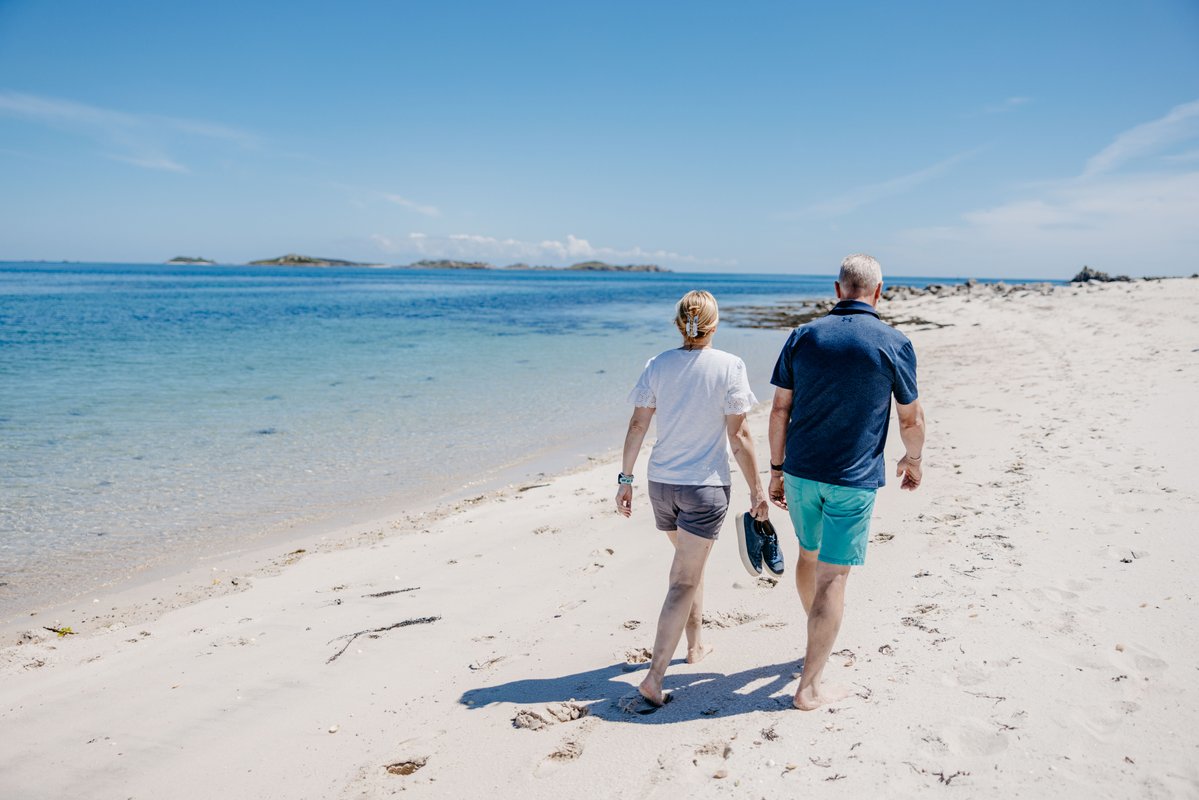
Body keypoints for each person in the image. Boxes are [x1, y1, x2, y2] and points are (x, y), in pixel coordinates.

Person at [767, 254, 925, 711]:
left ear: (837, 290)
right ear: (879, 292)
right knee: (833, 576)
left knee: (808, 556)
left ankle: (816, 632)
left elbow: (779, 410)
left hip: (799, 471)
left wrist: (775, 469)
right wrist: (913, 461)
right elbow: (910, 418)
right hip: (851, 480)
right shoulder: (894, 342)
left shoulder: (803, 336)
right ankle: (809, 685)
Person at [617, 290, 769, 707]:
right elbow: (738, 436)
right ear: (714, 325)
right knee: (684, 578)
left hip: (662, 485)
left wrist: (625, 478)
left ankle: (695, 645)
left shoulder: (657, 364)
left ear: (679, 324)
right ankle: (654, 676)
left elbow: (636, 426)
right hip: (704, 488)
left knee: (690, 567)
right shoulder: (729, 366)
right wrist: (758, 490)